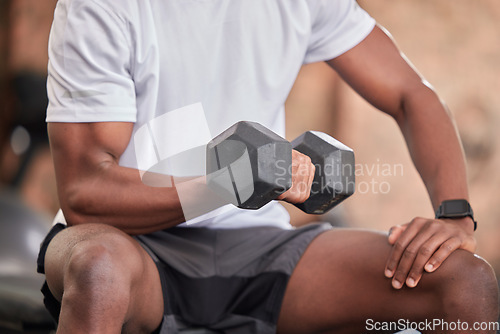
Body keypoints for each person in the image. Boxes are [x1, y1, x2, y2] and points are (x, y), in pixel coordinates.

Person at [38, 0, 498, 333]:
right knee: (99, 270)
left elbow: (410, 93)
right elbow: (84, 192)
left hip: (258, 244)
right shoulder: (101, 8)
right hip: (134, 247)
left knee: (464, 283)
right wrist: (226, 184)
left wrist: (455, 215)